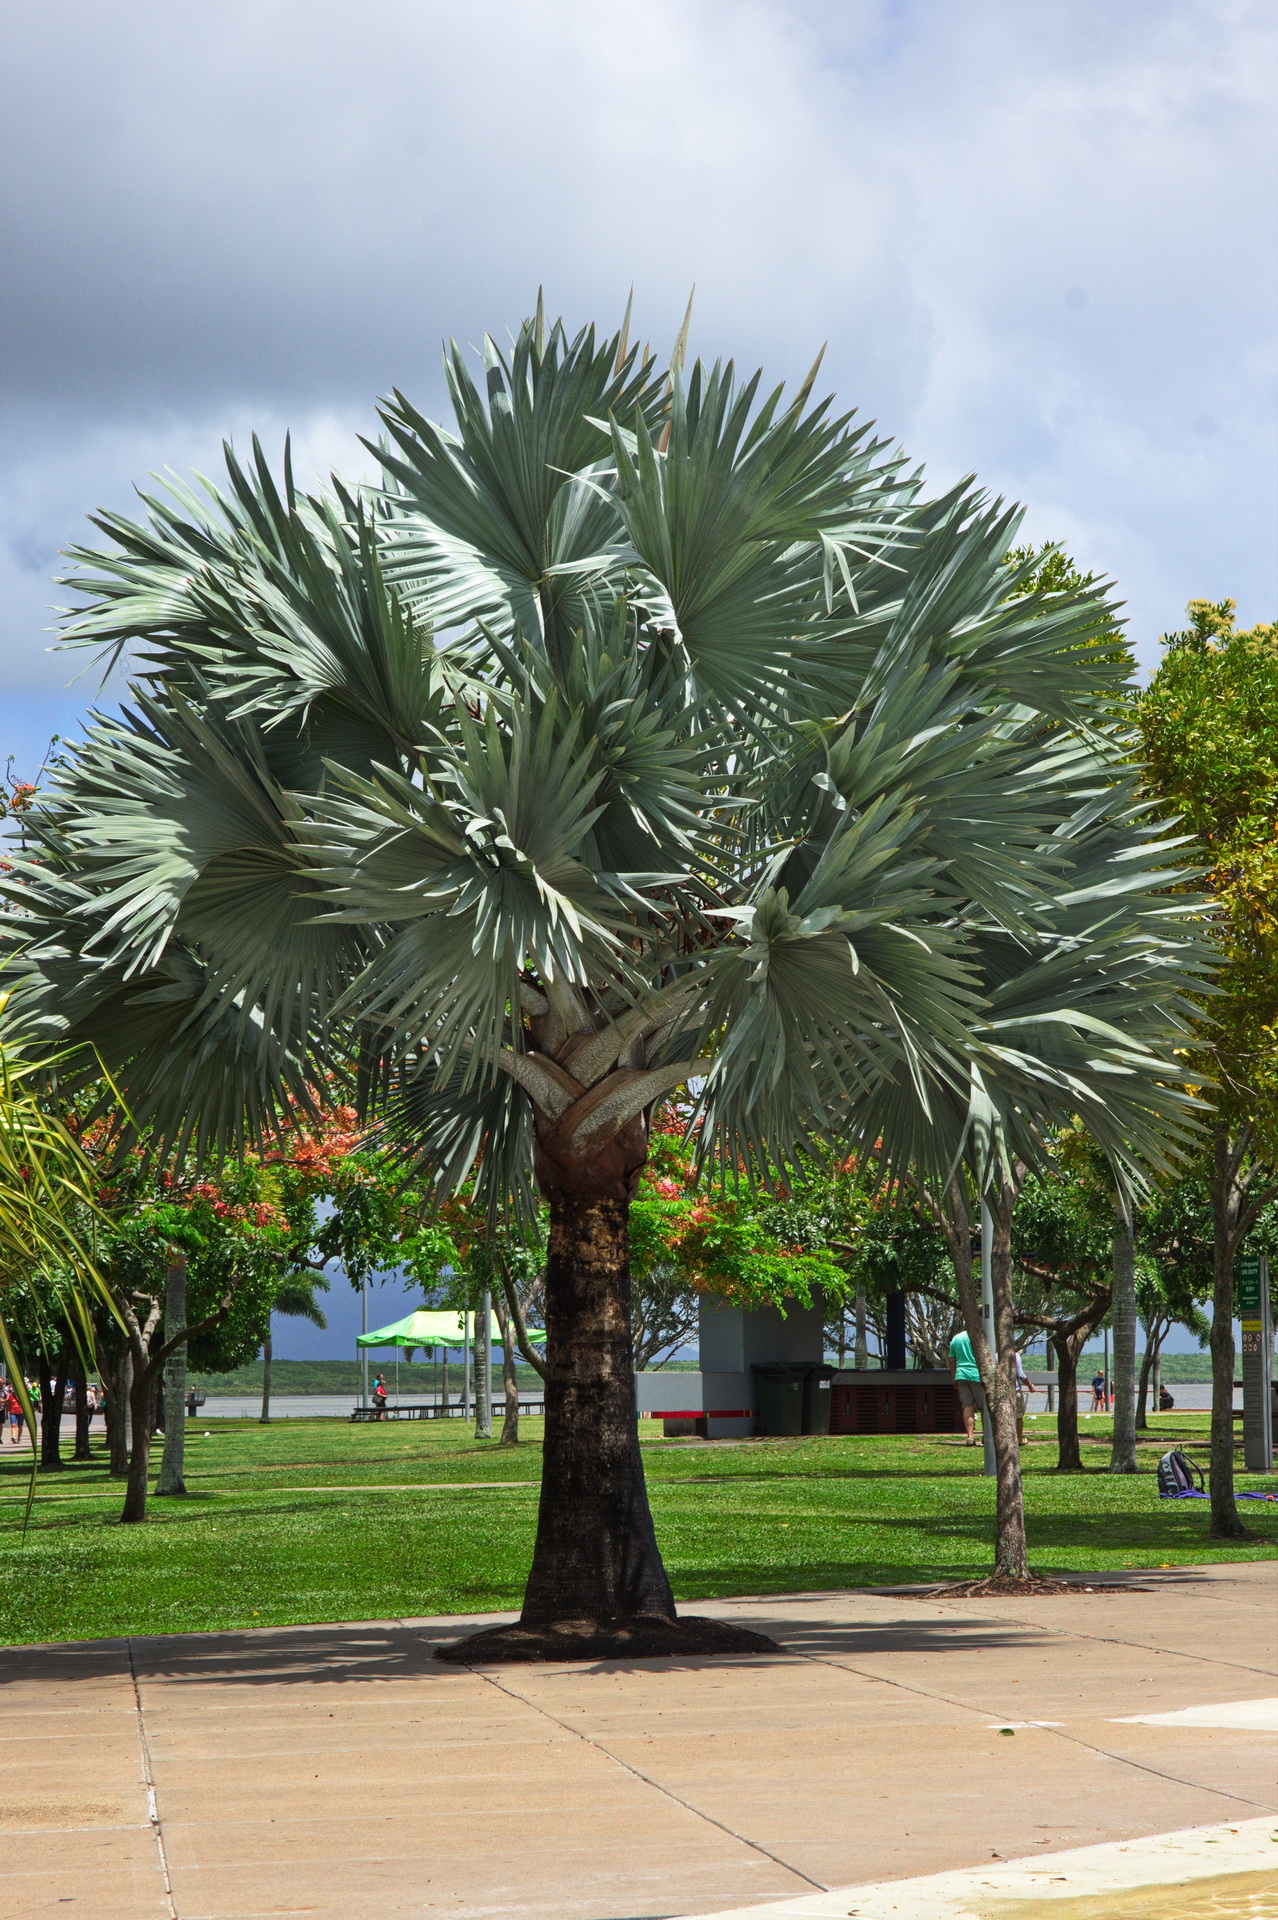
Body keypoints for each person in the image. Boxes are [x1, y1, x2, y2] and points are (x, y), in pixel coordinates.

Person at [947, 1328, 984, 1446]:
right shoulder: (979, 1336)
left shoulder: (956, 1338)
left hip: (961, 1375)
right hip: (977, 1374)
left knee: (967, 1406)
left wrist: (954, 1377)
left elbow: (952, 1360)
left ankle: (970, 1437)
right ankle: (987, 1435)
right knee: (984, 1406)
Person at [1014, 1351, 1039, 1446]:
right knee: (1018, 1416)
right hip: (1014, 1390)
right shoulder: (1015, 1356)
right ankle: (1019, 1439)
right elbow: (1020, 1374)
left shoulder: (995, 1356)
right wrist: (1030, 1385)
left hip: (1000, 1391)